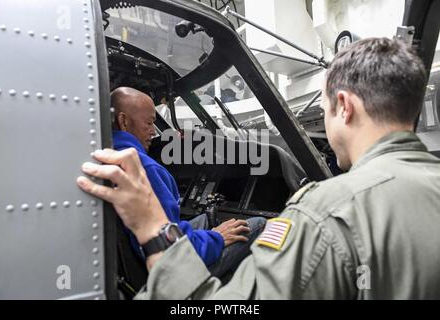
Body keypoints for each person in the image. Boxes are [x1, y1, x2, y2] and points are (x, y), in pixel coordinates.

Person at [77, 38, 440, 299]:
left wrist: (156, 230)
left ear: (343, 106)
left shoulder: (323, 214)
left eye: (327, 109)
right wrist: (216, 235)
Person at [109, 87, 266, 278]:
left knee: (206, 219)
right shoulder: (143, 168)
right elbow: (169, 247)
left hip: (138, 261)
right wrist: (217, 238)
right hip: (169, 271)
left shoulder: (110, 156)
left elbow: (164, 226)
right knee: (258, 224)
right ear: (123, 121)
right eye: (149, 123)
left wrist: (212, 232)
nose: (153, 131)